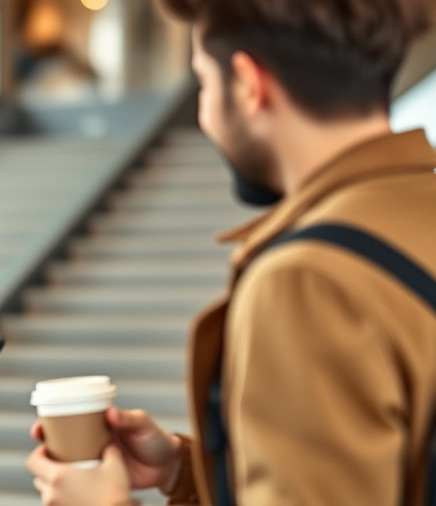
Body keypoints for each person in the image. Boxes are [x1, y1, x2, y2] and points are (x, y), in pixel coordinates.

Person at [27, 0, 436, 504]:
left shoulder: (306, 279)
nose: (204, 114)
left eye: (203, 82)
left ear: (247, 83)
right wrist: (186, 471)